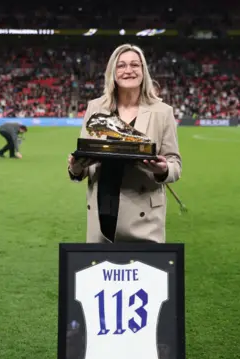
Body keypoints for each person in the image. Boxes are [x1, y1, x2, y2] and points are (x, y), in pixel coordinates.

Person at [67, 44, 182, 243]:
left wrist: (163, 170)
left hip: (144, 219)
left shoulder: (163, 112)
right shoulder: (95, 108)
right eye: (121, 66)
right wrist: (75, 168)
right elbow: (83, 162)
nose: (128, 70)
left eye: (135, 65)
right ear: (112, 72)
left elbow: (175, 165)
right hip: (101, 210)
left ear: (143, 71)